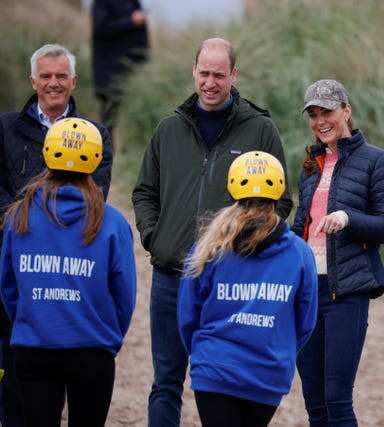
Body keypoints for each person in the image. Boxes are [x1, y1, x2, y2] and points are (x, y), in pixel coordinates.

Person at [131, 37, 293, 427]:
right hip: (172, 275)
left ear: (233, 75)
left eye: (219, 74)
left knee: (225, 385)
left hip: (229, 282)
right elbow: (144, 191)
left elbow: (281, 202)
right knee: (166, 382)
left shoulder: (261, 130)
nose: (210, 82)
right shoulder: (168, 130)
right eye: (204, 73)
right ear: (193, 71)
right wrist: (155, 236)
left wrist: (244, 248)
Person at [0, 43, 113, 427]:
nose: (53, 83)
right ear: (33, 81)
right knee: (15, 391)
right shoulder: (5, 128)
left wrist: (47, 228)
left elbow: (96, 193)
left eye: (61, 76)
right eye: (45, 76)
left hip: (71, 271)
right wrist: (23, 224)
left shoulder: (95, 135)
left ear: (74, 81)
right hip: (17, 261)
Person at [0, 118, 135, 426]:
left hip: (33, 347)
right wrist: (108, 335)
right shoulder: (111, 222)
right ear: (96, 158)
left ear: (47, 154)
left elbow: (8, 286)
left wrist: (30, 320)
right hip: (93, 349)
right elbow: (124, 295)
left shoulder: (19, 215)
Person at [178, 151, 318, 427]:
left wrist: (203, 354)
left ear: (232, 188)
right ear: (279, 191)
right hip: (268, 372)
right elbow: (306, 321)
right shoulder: (300, 253)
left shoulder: (209, 246)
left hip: (215, 369)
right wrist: (280, 348)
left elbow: (187, 315)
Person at [292, 79, 384, 426]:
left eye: (327, 111)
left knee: (337, 401)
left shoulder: (378, 162)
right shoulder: (310, 165)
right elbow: (300, 229)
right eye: (313, 114)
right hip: (308, 293)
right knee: (315, 405)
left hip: (347, 292)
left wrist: (348, 218)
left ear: (347, 111)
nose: (320, 121)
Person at [91, 0, 149, 147]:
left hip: (133, 66)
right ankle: (106, 152)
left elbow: (141, 29)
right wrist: (130, 21)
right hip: (110, 68)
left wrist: (144, 58)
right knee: (110, 113)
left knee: (137, 110)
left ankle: (130, 151)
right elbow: (100, 28)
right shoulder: (101, 3)